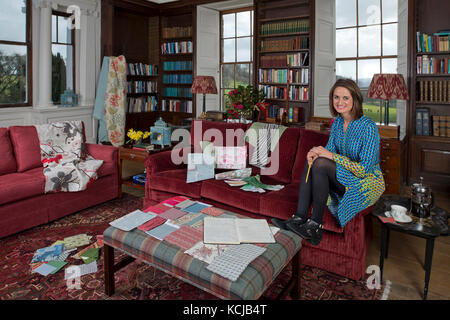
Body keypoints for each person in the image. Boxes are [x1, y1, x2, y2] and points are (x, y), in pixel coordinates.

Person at [272, 78, 385, 245]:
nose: (340, 102)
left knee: (322, 162)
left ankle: (315, 226)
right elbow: (328, 150)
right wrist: (316, 152)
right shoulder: (338, 122)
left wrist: (330, 156)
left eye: (345, 98)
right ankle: (299, 218)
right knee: (314, 160)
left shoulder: (368, 126)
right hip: (345, 176)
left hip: (367, 182)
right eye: (336, 97)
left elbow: (364, 169)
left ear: (355, 99)